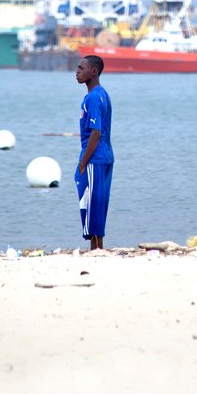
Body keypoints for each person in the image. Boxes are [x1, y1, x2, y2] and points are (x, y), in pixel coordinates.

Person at [74, 54, 114, 250]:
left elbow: (96, 133)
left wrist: (83, 162)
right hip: (106, 157)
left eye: (81, 68)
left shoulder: (92, 98)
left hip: (95, 158)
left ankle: (95, 249)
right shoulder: (103, 94)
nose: (77, 71)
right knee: (99, 202)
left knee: (91, 203)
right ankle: (99, 248)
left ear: (94, 71)